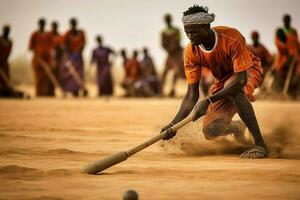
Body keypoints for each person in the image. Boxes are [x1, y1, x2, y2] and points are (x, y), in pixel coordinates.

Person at [161, 5, 267, 159]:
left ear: (207, 26)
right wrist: (173, 125)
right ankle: (237, 127)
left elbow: (240, 80)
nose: (190, 36)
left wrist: (209, 100)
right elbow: (192, 95)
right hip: (223, 80)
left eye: (194, 31)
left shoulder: (231, 37)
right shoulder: (190, 52)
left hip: (247, 71)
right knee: (211, 130)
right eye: (187, 32)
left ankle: (260, 144)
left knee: (235, 90)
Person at [273, 14, 300, 98]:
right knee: (279, 71)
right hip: (283, 56)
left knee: (297, 73)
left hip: (295, 56)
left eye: (288, 20)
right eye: (285, 20)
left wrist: (295, 53)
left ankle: (295, 92)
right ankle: (278, 91)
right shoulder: (280, 31)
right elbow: (277, 43)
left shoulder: (294, 31)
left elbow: (296, 43)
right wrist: (286, 52)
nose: (286, 21)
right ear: (283, 21)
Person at [161, 13, 185, 97]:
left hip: (178, 54)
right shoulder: (163, 32)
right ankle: (161, 91)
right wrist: (169, 50)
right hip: (170, 55)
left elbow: (178, 40)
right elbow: (163, 44)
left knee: (178, 71)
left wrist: (173, 49)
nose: (167, 20)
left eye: (168, 19)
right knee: (165, 73)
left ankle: (172, 90)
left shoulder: (176, 30)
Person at [29, 18, 54, 96]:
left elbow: (52, 46)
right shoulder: (34, 34)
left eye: (43, 23)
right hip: (37, 60)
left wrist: (50, 58)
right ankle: (39, 93)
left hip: (47, 59)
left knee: (46, 77)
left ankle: (46, 93)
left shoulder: (48, 35)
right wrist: (38, 55)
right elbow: (31, 47)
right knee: (38, 77)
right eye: (41, 23)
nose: (42, 25)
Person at [63, 17, 86, 96]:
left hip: (78, 58)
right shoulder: (67, 33)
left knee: (79, 74)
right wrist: (68, 55)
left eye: (74, 23)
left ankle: (79, 89)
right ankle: (72, 91)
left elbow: (83, 43)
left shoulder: (81, 33)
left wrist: (78, 52)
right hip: (70, 57)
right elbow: (64, 44)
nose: (73, 25)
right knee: (70, 75)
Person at [0, 25, 24, 98]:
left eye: (8, 31)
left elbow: (9, 53)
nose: (6, 32)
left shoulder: (10, 42)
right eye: (5, 30)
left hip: (5, 64)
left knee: (6, 80)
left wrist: (4, 62)